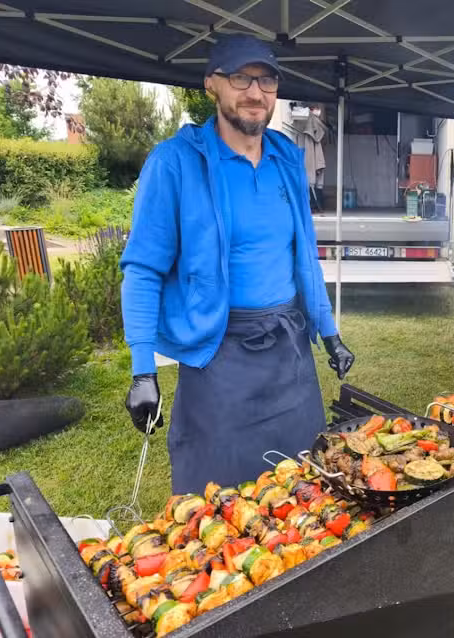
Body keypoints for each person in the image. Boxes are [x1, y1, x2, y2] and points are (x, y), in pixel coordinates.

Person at [120, 34, 355, 494]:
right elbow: (143, 269)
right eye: (241, 78)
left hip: (289, 351)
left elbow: (303, 252)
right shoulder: (175, 163)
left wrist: (329, 331)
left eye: (266, 80)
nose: (255, 92)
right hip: (219, 352)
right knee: (219, 493)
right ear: (213, 84)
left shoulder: (287, 155)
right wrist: (143, 371)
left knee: (305, 482)